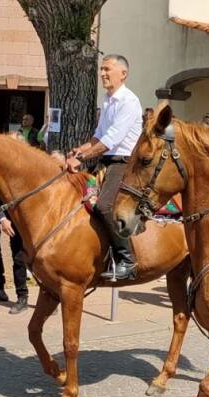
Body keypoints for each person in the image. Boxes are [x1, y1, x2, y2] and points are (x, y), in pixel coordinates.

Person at [66, 54, 143, 281]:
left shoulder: (129, 101)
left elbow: (112, 139)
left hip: (123, 162)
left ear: (123, 74)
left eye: (107, 69)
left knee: (104, 207)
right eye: (101, 69)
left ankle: (127, 259)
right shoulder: (108, 100)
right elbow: (99, 135)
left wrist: (82, 158)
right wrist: (80, 150)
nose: (102, 74)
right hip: (106, 160)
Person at [0, 212, 31, 314]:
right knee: (18, 259)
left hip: (37, 220)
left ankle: (49, 297)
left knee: (43, 260)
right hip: (15, 221)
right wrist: (2, 218)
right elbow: (2, 198)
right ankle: (22, 298)